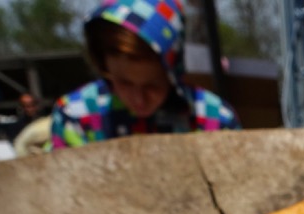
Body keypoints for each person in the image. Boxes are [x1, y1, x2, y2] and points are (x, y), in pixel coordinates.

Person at [49, 0, 240, 149]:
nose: (139, 100)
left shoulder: (213, 119)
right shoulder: (76, 116)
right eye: (124, 82)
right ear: (103, 63)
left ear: (172, 72)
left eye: (152, 85)